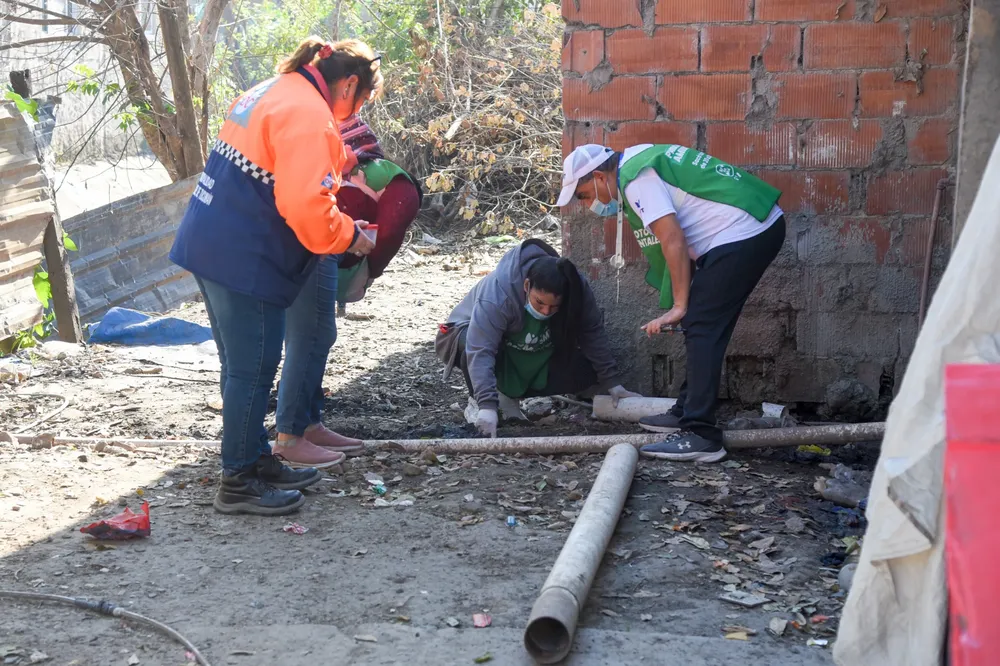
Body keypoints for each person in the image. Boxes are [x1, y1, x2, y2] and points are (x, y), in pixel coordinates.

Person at [169, 37, 383, 515]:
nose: (356, 112)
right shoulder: (309, 113)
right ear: (349, 84)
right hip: (242, 255)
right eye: (362, 99)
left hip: (212, 239)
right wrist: (351, 235)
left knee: (240, 366)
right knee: (253, 368)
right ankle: (238, 482)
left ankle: (255, 459)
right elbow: (306, 208)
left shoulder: (271, 89)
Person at [556, 143, 786, 463]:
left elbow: (672, 239)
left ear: (598, 176)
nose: (588, 204)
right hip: (749, 230)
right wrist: (685, 301)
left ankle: (701, 434)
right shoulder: (639, 159)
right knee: (701, 324)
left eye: (583, 195)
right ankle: (686, 411)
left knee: (702, 326)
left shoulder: (636, 179)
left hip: (742, 234)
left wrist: (680, 305)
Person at [272, 114, 422, 468]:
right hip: (309, 242)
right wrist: (367, 272)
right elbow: (384, 234)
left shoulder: (337, 162)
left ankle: (307, 425)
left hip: (317, 240)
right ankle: (289, 437)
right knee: (308, 336)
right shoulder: (393, 183)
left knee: (316, 334)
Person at [436, 239, 640, 437]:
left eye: (554, 307)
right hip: (475, 343)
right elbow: (481, 349)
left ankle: (509, 397)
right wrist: (486, 407)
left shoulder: (575, 286)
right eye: (539, 302)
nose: (545, 311)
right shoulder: (499, 295)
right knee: (468, 342)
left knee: (585, 371)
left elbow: (592, 332)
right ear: (526, 286)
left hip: (531, 351)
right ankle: (482, 401)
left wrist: (612, 383)